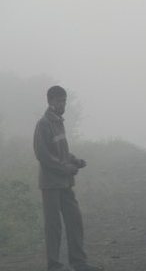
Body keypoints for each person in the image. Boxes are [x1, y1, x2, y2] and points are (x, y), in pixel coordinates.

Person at [33, 86, 103, 271]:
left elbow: (62, 151)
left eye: (64, 100)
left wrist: (75, 160)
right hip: (50, 184)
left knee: (74, 220)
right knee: (54, 226)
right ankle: (54, 265)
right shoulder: (44, 124)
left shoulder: (58, 122)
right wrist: (66, 168)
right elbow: (43, 155)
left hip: (64, 183)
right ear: (50, 101)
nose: (63, 104)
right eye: (59, 101)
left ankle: (79, 263)